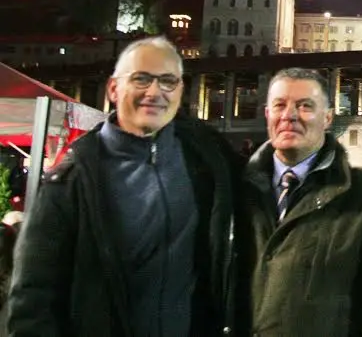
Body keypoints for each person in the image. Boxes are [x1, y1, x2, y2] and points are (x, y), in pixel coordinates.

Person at [4, 36, 241, 336]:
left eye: (168, 81)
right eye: (142, 79)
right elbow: (31, 299)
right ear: (114, 89)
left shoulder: (207, 158)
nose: (155, 92)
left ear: (180, 91)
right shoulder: (71, 181)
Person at [244, 67, 362, 336]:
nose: (289, 116)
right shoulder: (233, 191)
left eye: (305, 106)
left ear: (328, 117)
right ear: (267, 114)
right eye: (279, 105)